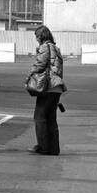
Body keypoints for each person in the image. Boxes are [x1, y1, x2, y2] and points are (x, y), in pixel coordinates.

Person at [26, 25, 67, 155]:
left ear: (41, 36)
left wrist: (29, 77)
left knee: (40, 117)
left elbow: (40, 65)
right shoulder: (56, 48)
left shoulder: (44, 47)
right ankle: (54, 149)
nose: (36, 39)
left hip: (47, 87)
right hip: (57, 88)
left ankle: (43, 147)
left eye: (37, 36)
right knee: (51, 119)